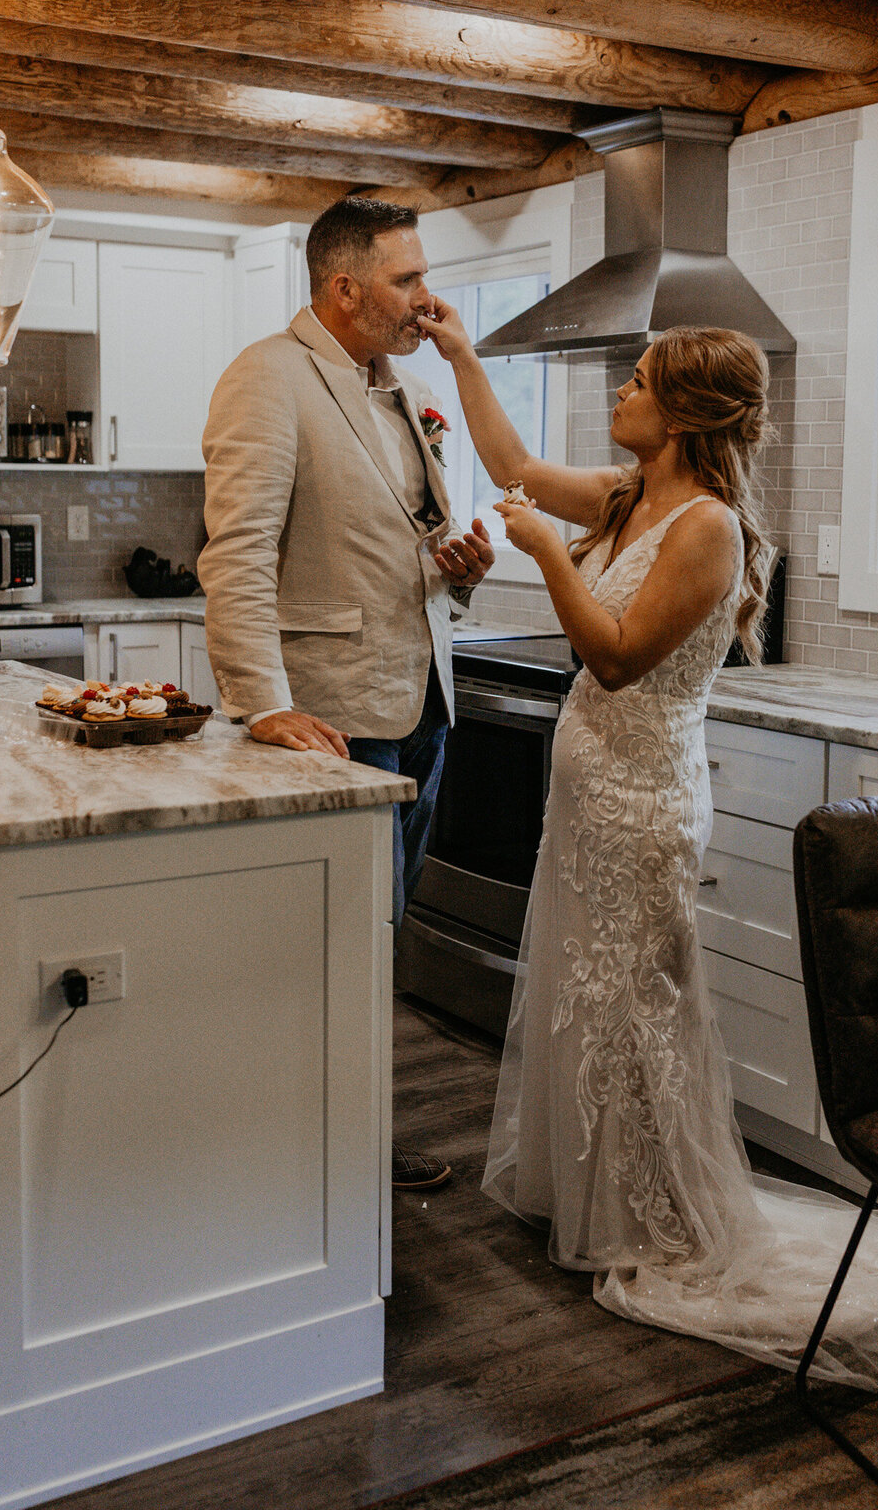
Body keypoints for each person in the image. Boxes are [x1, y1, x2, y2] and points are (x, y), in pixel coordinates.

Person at [415, 297, 878, 1386]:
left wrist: (543, 556)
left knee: (635, 1006)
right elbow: (508, 457)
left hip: (643, 804)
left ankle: (653, 1221)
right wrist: (463, 352)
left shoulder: (705, 526)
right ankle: (597, 1196)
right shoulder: (627, 494)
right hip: (593, 799)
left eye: (639, 381)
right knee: (589, 998)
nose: (622, 391)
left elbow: (613, 657)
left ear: (685, 412)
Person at [200, 198, 495, 1193]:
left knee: (379, 950)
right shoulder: (267, 378)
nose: (426, 299)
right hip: (334, 721)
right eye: (408, 281)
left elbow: (407, 540)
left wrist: (460, 566)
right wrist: (260, 702)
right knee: (322, 956)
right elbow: (237, 552)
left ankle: (351, 1148)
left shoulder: (403, 391)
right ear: (347, 288)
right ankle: (299, 1163)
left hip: (422, 709)